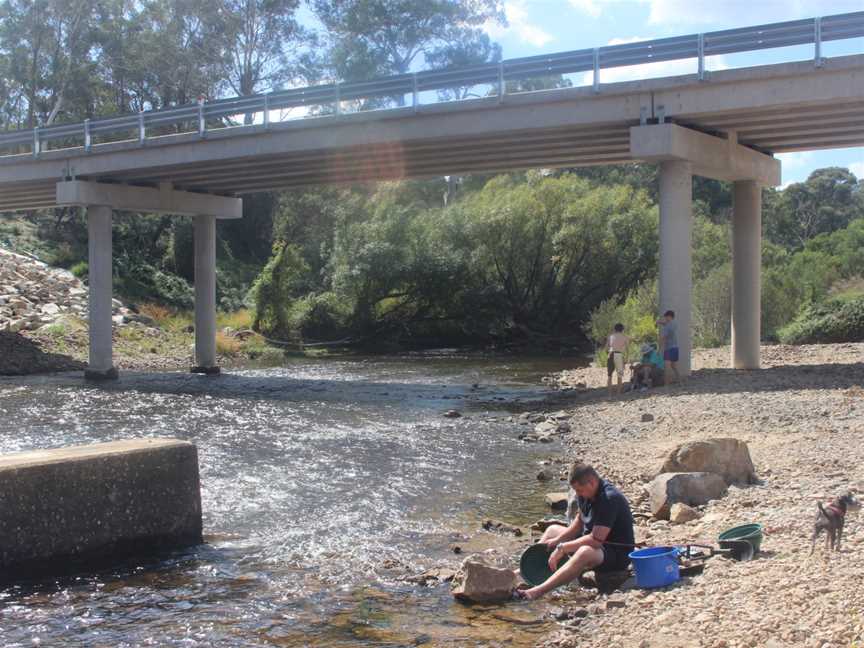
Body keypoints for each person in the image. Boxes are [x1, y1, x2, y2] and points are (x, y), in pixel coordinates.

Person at [515, 463, 635, 600]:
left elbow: (595, 540)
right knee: (552, 530)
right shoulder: (586, 494)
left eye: (579, 490)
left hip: (615, 552)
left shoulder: (609, 498)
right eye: (575, 490)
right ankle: (527, 572)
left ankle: (537, 591)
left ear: (592, 482)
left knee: (584, 551)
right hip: (592, 540)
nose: (578, 494)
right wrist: (556, 541)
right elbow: (579, 523)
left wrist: (562, 548)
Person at [656, 310, 680, 385]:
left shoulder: (668, 326)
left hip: (669, 348)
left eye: (666, 316)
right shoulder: (674, 323)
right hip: (675, 347)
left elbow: (663, 338)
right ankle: (680, 379)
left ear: (669, 316)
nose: (665, 318)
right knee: (673, 365)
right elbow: (666, 324)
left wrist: (659, 348)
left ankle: (666, 383)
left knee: (667, 366)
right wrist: (660, 322)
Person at [605, 323, 629, 396]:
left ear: (615, 329)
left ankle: (609, 394)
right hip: (619, 354)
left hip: (611, 354)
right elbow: (627, 350)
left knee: (609, 375)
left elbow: (606, 348)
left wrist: (608, 354)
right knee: (620, 375)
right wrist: (626, 359)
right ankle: (618, 393)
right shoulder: (625, 337)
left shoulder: (610, 337)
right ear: (622, 329)